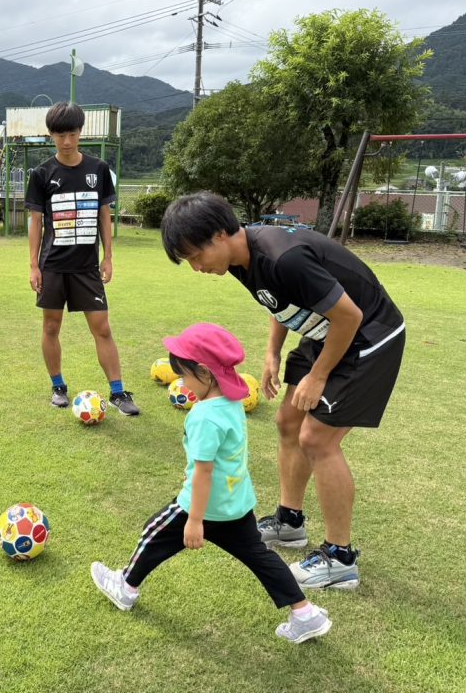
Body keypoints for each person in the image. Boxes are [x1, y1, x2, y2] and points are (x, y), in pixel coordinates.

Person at [159, 192, 406, 590]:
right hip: (324, 331)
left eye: (196, 256)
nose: (196, 267)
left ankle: (340, 559)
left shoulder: (283, 256)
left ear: (220, 234)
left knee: (317, 439)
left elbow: (350, 315)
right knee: (288, 422)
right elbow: (279, 302)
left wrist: (319, 376)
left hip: (368, 335)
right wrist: (272, 352)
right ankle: (290, 523)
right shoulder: (239, 260)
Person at [90, 323, 331, 644]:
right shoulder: (232, 401)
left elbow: (204, 472)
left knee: (153, 533)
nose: (182, 383)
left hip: (204, 506)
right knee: (260, 557)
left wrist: (194, 520)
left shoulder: (203, 416)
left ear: (204, 372)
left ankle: (125, 587)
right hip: (236, 503)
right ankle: (305, 613)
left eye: (184, 376)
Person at [26, 101, 139, 416]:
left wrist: (108, 256)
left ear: (80, 133)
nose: (66, 141)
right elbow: (36, 222)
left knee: (102, 328)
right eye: (60, 135)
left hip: (87, 267)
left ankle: (118, 392)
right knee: (51, 327)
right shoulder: (42, 174)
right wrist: (34, 265)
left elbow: (104, 214)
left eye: (72, 134)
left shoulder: (98, 169)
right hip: (52, 265)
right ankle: (58, 387)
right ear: (51, 135)